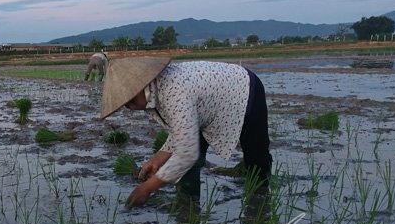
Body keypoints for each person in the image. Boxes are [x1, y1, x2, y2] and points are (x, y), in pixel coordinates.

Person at [100, 57, 271, 208]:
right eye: (123, 103)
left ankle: (260, 204)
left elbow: (187, 154)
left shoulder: (174, 92)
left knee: (256, 158)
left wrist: (148, 187)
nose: (128, 106)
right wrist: (158, 159)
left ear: (141, 86)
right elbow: (181, 131)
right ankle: (188, 208)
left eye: (129, 99)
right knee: (189, 168)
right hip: (205, 105)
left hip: (245, 89)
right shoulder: (152, 94)